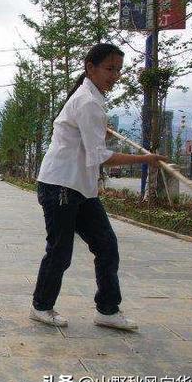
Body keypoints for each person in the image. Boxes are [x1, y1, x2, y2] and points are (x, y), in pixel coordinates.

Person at [29, 43, 167, 331]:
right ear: (90, 68)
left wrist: (100, 134)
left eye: (118, 70)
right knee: (60, 251)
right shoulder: (87, 101)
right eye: (110, 69)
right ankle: (41, 306)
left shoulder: (92, 99)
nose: (115, 76)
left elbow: (86, 141)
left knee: (106, 246)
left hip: (80, 188)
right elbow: (100, 157)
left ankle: (107, 310)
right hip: (61, 185)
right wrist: (146, 160)